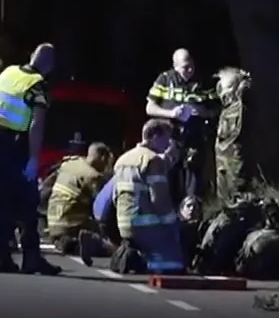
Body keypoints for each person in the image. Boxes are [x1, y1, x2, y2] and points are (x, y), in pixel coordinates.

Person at [0, 43, 62, 275]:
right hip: (12, 145)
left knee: (2, 199)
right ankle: (31, 258)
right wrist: (34, 159)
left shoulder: (8, 72)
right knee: (27, 201)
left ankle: (3, 257)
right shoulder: (38, 85)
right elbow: (36, 124)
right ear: (50, 64)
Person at [113, 119, 187, 273]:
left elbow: (115, 196)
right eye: (166, 139)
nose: (167, 145)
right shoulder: (152, 160)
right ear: (155, 137)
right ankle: (140, 261)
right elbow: (159, 201)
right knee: (175, 263)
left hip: (124, 223)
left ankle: (130, 252)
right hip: (146, 224)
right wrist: (173, 225)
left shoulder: (123, 160)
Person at [145, 48, 218, 201]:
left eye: (192, 65)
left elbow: (217, 108)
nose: (190, 70)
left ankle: (191, 213)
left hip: (195, 138)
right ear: (175, 66)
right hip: (170, 137)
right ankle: (170, 209)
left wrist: (203, 112)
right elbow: (149, 108)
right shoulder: (164, 80)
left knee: (193, 177)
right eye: (185, 67)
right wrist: (171, 113)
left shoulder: (203, 81)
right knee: (170, 175)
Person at [44, 142, 114, 261]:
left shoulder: (69, 164)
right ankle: (91, 243)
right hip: (73, 225)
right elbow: (103, 209)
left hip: (53, 223)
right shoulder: (94, 177)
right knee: (111, 249)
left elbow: (45, 187)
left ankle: (68, 243)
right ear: (103, 158)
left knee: (66, 242)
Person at [213, 66, 254, 206]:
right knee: (224, 197)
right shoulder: (227, 108)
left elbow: (246, 89)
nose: (222, 92)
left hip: (234, 161)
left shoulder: (241, 105)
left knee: (239, 196)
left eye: (226, 87)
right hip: (222, 159)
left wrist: (244, 79)